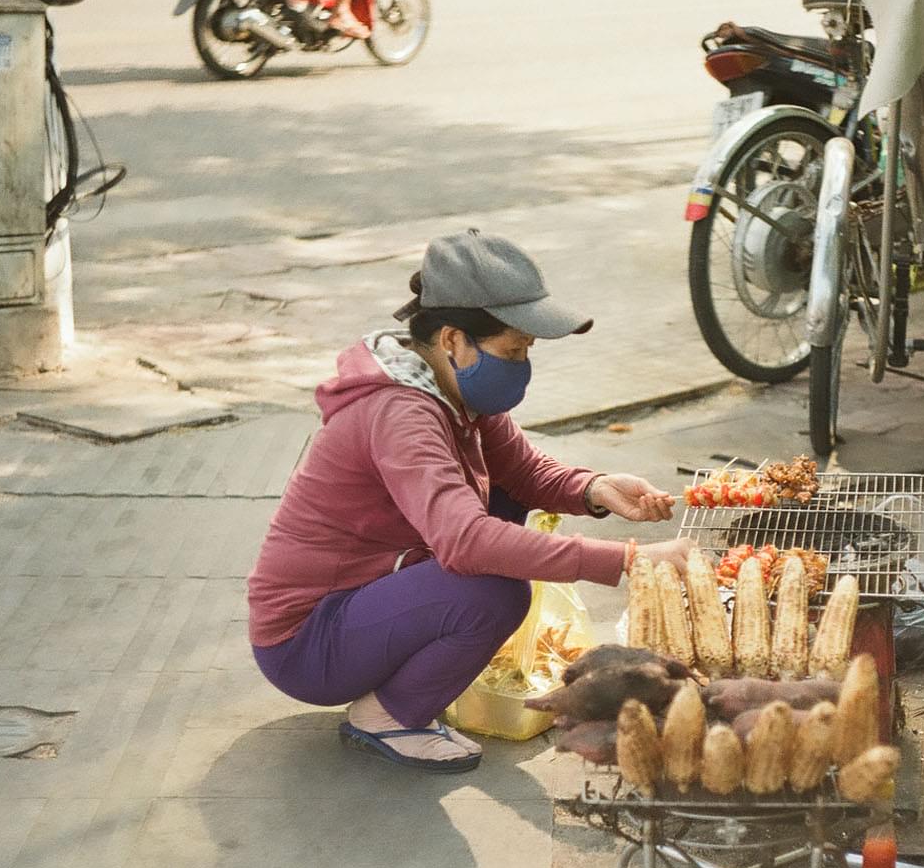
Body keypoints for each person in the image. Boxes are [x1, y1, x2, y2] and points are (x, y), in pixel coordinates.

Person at [247, 229, 694, 773]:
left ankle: (417, 673)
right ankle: (389, 715)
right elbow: (464, 541)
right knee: (494, 590)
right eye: (513, 350)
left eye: (527, 350)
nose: (522, 364)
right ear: (454, 341)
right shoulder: (401, 413)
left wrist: (593, 488)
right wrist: (628, 560)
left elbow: (523, 471)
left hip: (365, 599)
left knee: (500, 499)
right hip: (308, 642)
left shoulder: (455, 391)